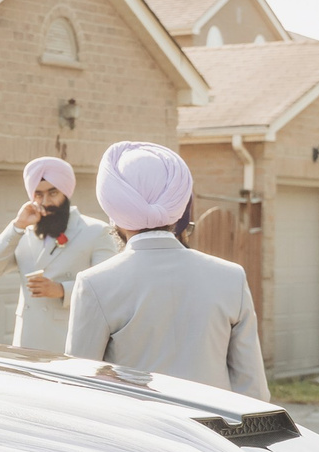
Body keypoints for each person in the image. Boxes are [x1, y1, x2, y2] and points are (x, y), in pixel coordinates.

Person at [65, 140, 269, 400]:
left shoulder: (94, 284)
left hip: (139, 436)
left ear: (114, 210)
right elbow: (254, 391)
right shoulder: (231, 277)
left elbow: (80, 386)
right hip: (215, 436)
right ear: (179, 208)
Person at [0, 155, 118, 352]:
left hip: (71, 344)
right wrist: (17, 225)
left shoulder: (96, 231)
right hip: (27, 344)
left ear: (66, 193)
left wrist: (62, 290)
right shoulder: (23, 232)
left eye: (53, 193)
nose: (46, 202)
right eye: (38, 195)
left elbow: (109, 287)